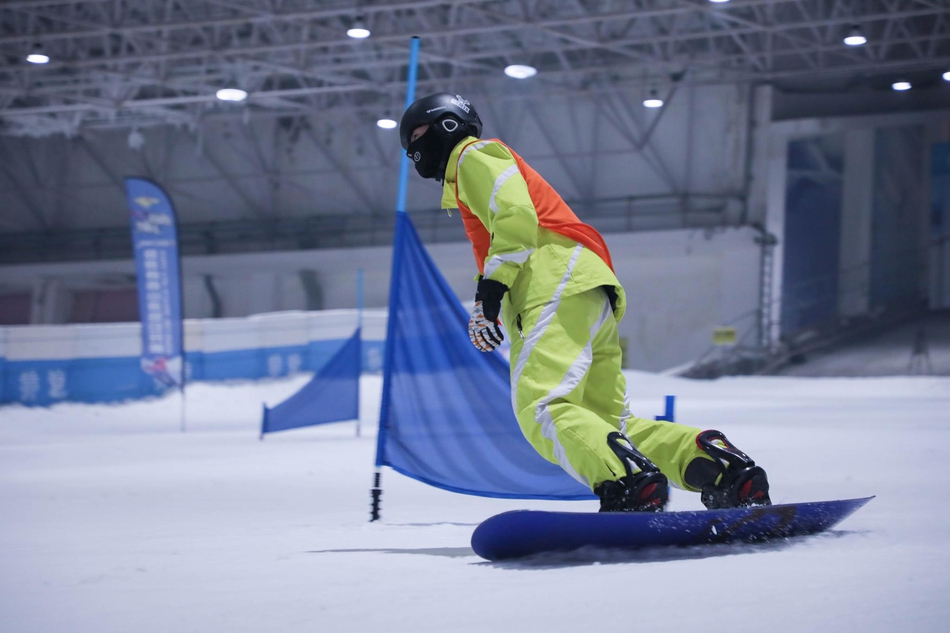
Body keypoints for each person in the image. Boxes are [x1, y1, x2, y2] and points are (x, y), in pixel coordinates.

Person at [399, 93, 771, 512]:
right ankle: (723, 471)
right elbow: (508, 231)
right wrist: (486, 299)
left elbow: (516, 218)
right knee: (610, 423)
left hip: (549, 285)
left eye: (415, 137)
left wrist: (491, 292)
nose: (413, 151)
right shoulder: (475, 168)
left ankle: (626, 481)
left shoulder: (472, 156)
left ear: (447, 125)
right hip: (585, 286)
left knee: (542, 408)